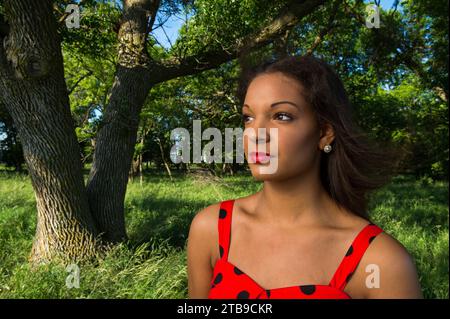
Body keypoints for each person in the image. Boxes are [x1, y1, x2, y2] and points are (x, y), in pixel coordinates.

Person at [187, 55, 423, 299]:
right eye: (248, 118)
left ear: (324, 133)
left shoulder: (381, 261)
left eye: (281, 116)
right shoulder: (211, 229)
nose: (256, 134)